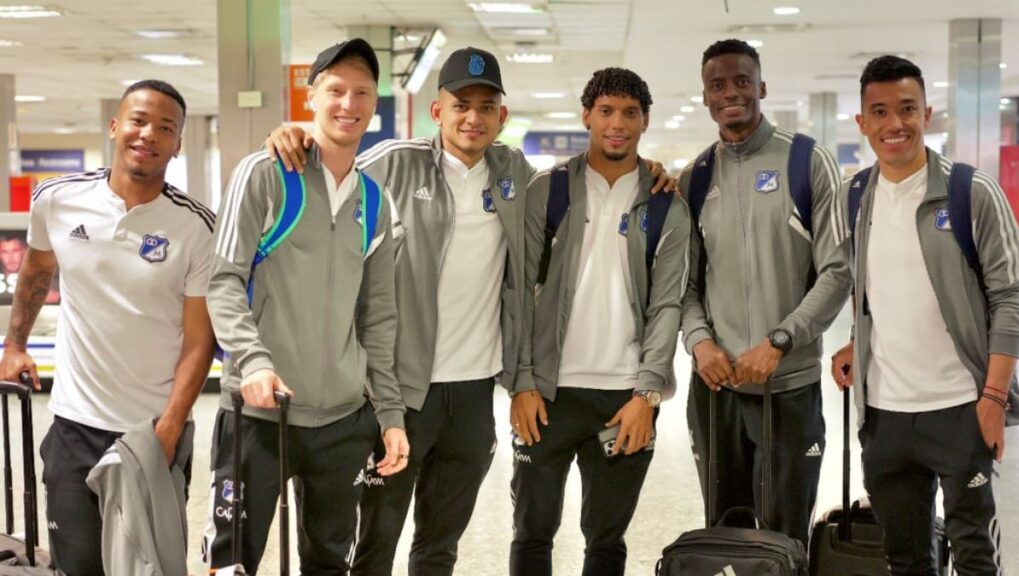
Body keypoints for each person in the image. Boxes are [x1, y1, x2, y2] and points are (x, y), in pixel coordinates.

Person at [264, 47, 677, 576]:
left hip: (474, 393)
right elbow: (330, 167)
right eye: (461, 104)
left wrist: (655, 172)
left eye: (486, 107)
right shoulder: (394, 161)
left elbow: (594, 181)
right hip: (399, 392)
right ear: (437, 111)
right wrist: (292, 136)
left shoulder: (514, 172)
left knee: (440, 544)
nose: (472, 118)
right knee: (375, 541)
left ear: (501, 117)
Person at [203, 39, 409, 574]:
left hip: (342, 421)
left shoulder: (375, 202)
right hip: (259, 414)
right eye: (336, 89)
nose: (349, 103)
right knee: (231, 561)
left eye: (362, 92)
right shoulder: (265, 175)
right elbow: (222, 280)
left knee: (327, 562)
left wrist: (388, 413)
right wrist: (253, 361)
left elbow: (379, 316)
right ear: (311, 94)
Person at [0, 79, 215, 575]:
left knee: (149, 565)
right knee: (78, 564)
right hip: (75, 424)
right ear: (115, 126)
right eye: (138, 120)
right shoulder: (56, 199)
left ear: (178, 144)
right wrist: (15, 344)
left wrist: (169, 427)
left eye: (166, 127)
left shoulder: (197, 226)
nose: (149, 134)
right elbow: (36, 271)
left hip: (152, 429)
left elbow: (200, 340)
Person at [830, 55, 1019, 575]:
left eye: (907, 109)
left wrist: (994, 397)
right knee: (905, 558)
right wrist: (858, 342)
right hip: (885, 415)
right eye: (881, 111)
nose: (895, 124)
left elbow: (1011, 298)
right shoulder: (853, 197)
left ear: (928, 114)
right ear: (862, 123)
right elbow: (870, 289)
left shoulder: (970, 192)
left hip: (963, 405)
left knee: (975, 555)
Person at [510, 67, 689, 576]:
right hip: (547, 396)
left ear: (645, 120)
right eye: (606, 111)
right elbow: (518, 291)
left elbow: (667, 308)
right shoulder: (548, 192)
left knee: (607, 541)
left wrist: (647, 396)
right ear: (586, 115)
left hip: (624, 400)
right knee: (531, 533)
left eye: (630, 113)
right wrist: (521, 381)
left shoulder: (664, 205)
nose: (618, 124)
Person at [679, 38, 850, 545]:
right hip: (716, 395)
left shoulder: (806, 162)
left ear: (762, 87)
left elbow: (837, 271)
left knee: (785, 535)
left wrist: (780, 340)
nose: (731, 93)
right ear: (706, 96)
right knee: (723, 532)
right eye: (718, 85)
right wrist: (699, 342)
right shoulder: (695, 177)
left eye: (742, 82)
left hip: (788, 389)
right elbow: (684, 285)